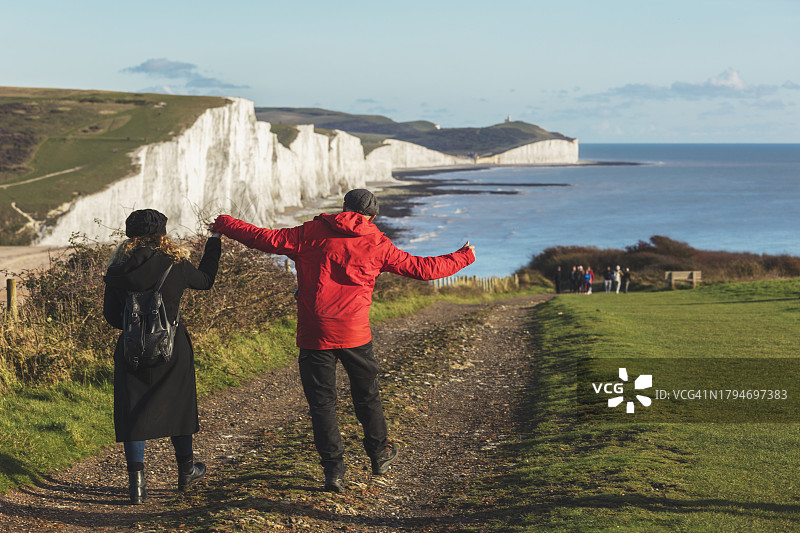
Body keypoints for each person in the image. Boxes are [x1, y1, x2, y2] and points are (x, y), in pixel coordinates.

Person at [209, 189, 476, 492]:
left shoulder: (310, 233)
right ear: (372, 216)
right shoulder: (377, 242)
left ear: (344, 208)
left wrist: (225, 223)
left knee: (322, 405)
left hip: (314, 333)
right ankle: (379, 455)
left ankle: (334, 472)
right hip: (355, 334)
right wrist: (464, 256)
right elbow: (423, 269)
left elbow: (264, 238)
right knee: (367, 396)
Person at [103, 209, 221, 505]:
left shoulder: (118, 269)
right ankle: (186, 472)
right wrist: (214, 241)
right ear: (162, 234)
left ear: (131, 234)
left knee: (133, 411)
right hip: (172, 347)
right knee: (178, 407)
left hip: (131, 349)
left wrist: (136, 329)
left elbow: (111, 316)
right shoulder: (174, 263)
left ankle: (137, 487)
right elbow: (206, 280)